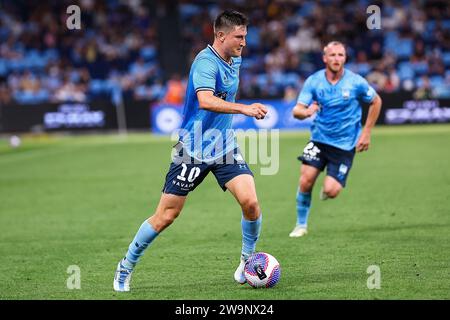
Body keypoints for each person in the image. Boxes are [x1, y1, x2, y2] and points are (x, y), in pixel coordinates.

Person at [114, 10, 268, 292]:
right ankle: (126, 265)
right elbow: (206, 101)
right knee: (166, 217)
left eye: (245, 36)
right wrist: (244, 108)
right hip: (193, 149)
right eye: (239, 36)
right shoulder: (204, 63)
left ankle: (247, 263)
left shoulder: (235, 59)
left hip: (224, 146)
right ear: (221, 35)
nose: (244, 42)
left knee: (251, 203)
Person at [289, 41, 382, 238]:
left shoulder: (355, 82)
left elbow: (376, 101)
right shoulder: (314, 81)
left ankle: (328, 189)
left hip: (345, 145)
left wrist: (366, 133)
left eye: (340, 55)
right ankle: (301, 225)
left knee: (331, 191)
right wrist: (307, 112)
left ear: (345, 58)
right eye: (332, 55)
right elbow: (296, 110)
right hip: (319, 140)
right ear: (325, 58)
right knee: (305, 181)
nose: (336, 59)